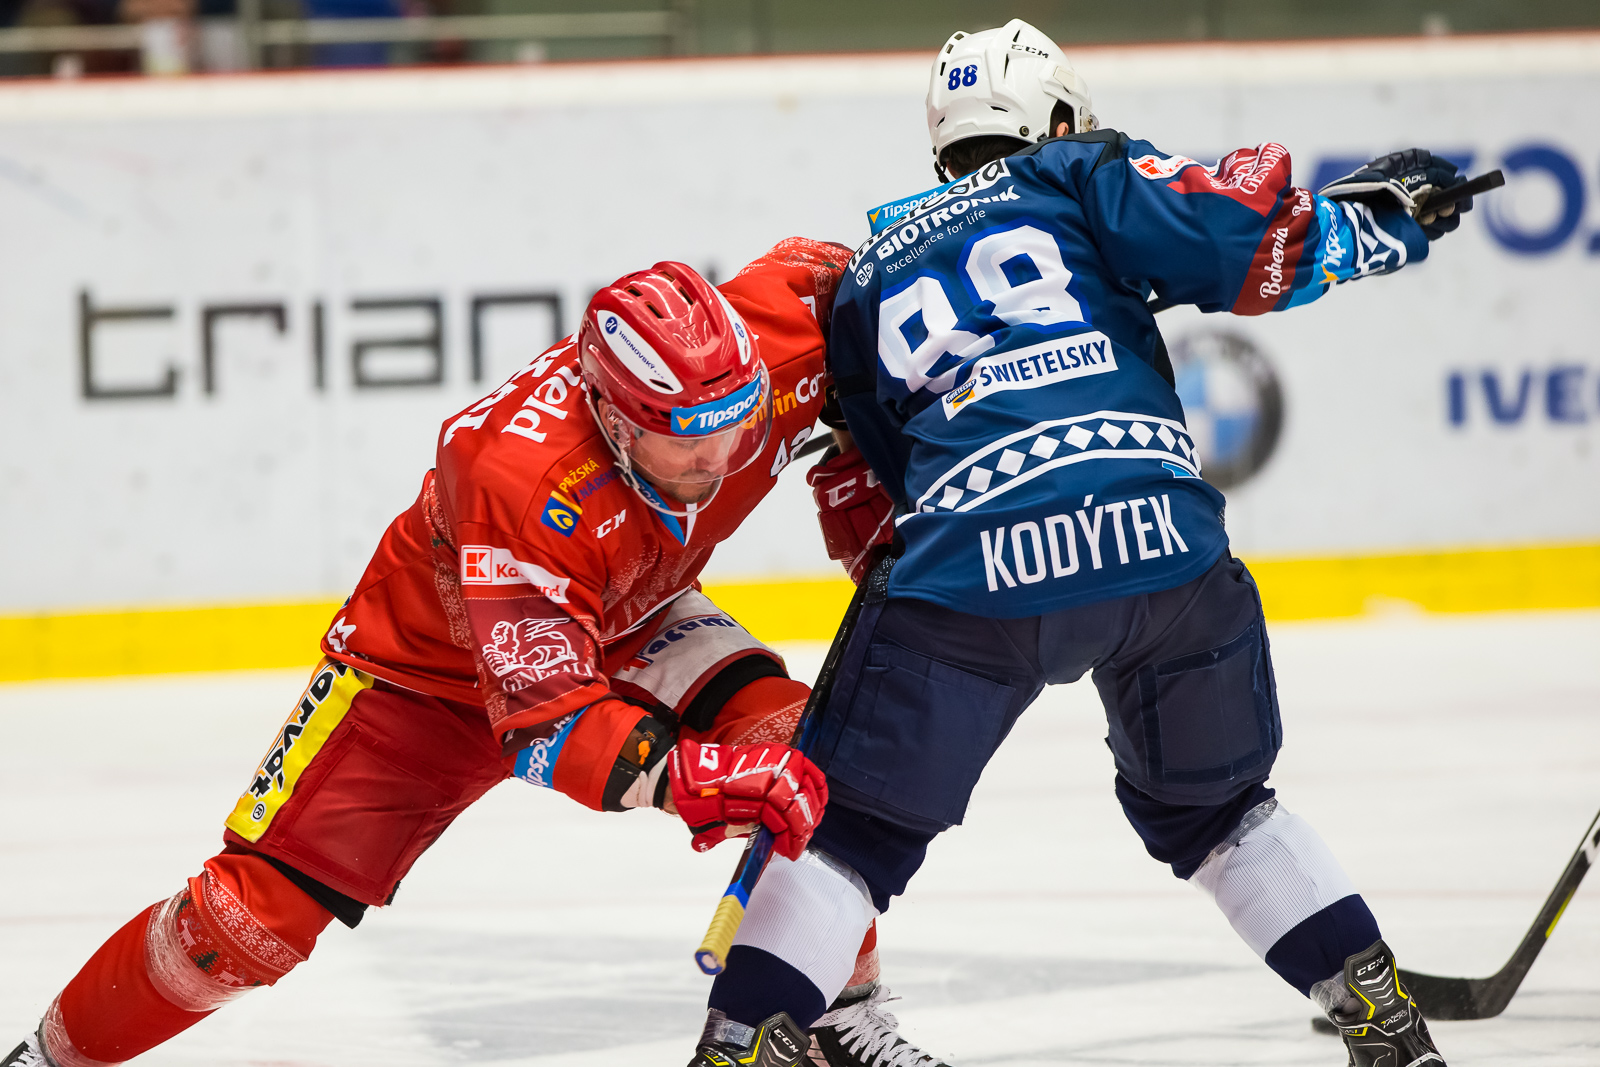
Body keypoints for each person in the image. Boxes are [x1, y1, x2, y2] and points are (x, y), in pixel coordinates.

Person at [687, 19, 1474, 1067]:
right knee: (1221, 813)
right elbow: (1237, 243)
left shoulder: (869, 271)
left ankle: (738, 1043)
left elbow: (882, 479)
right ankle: (1381, 1018)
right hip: (1164, 548)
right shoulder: (1076, 170)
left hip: (975, 563)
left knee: (849, 838)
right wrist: (1384, 222)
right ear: (1055, 118)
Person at [4, 242, 940, 1067]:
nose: (718, 460)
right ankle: (45, 1058)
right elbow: (543, 725)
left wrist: (864, 439)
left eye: (734, 423)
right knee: (246, 923)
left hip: (632, 611)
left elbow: (891, 281)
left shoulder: (782, 333)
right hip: (426, 673)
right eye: (685, 441)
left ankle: (831, 1018)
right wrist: (689, 779)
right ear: (613, 419)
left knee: (803, 750)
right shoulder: (519, 479)